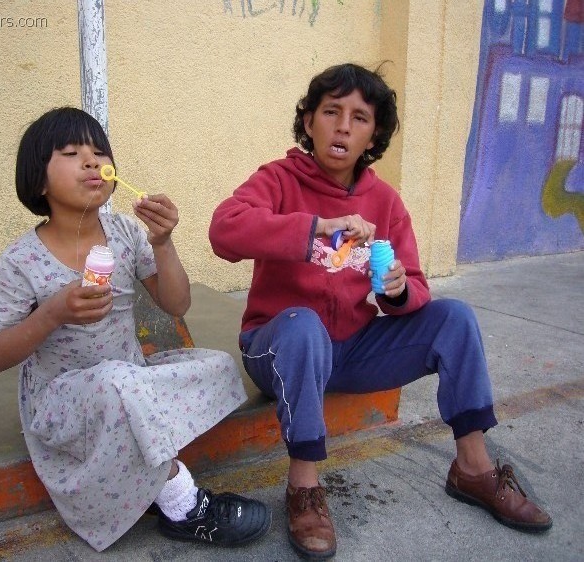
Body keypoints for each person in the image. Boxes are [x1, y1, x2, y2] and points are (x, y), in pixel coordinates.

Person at [209, 63, 552, 559]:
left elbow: (415, 285)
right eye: (331, 112)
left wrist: (396, 290)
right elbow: (224, 231)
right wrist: (313, 230)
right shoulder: (278, 180)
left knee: (453, 319)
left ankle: (473, 469)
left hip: (352, 350)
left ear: (374, 135)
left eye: (360, 117)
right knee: (303, 325)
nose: (343, 126)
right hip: (279, 351)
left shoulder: (384, 201)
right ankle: (304, 488)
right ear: (309, 122)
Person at [0, 107, 271, 552]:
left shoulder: (124, 234)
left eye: (99, 153)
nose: (92, 162)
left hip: (128, 372)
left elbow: (176, 304)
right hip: (63, 397)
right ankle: (182, 504)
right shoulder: (21, 261)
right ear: (39, 181)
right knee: (119, 386)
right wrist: (52, 313)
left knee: (216, 366)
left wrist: (163, 242)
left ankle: (138, 457)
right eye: (73, 153)